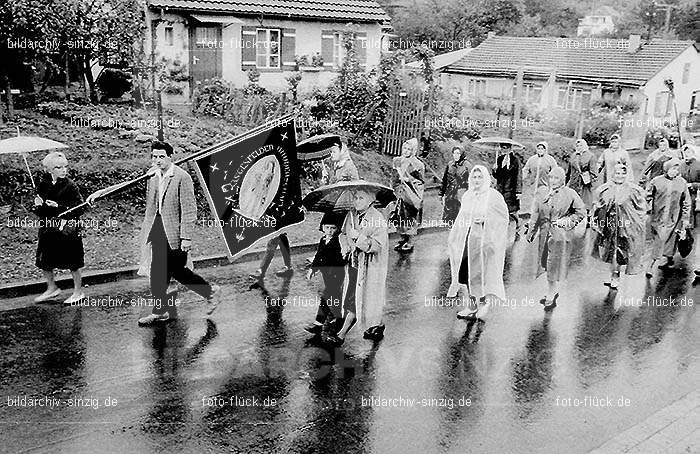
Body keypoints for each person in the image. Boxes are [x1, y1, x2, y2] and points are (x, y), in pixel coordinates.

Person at [132, 141, 220, 325]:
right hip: (156, 230)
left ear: (170, 157)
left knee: (178, 271)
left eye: (161, 156)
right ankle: (159, 311)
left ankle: (210, 292)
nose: (157, 160)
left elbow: (189, 209)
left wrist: (186, 237)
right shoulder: (153, 176)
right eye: (154, 156)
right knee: (157, 273)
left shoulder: (181, 177)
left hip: (174, 233)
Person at [327, 188, 389, 345]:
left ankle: (341, 335)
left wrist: (359, 238)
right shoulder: (351, 215)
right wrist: (345, 245)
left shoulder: (377, 219)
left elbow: (377, 246)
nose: (356, 201)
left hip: (371, 266)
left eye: (361, 198)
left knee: (364, 297)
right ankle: (378, 326)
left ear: (370, 201)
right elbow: (343, 234)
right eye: (355, 198)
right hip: (354, 264)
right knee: (355, 297)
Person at [447, 165, 509, 320]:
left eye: (480, 177)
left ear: (486, 178)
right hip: (468, 240)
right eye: (474, 177)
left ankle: (484, 303)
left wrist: (486, 219)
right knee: (466, 274)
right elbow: (462, 217)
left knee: (481, 273)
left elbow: (503, 217)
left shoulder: (493, 196)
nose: (477, 180)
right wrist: (455, 235)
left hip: (484, 241)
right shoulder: (468, 195)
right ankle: (472, 305)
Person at [527, 166, 586, 311]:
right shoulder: (542, 192)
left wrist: (566, 222)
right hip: (544, 233)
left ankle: (551, 293)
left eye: (556, 178)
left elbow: (581, 212)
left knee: (553, 264)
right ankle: (551, 289)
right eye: (551, 177)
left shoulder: (569, 194)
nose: (553, 181)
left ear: (562, 179)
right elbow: (536, 213)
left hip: (559, 235)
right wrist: (531, 231)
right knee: (545, 263)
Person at [32, 151, 87, 305]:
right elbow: (39, 210)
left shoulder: (70, 185)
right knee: (45, 259)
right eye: (58, 167)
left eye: (65, 167)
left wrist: (59, 206)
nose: (63, 170)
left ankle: (78, 291)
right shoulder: (43, 184)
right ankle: (52, 287)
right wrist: (38, 205)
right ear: (49, 170)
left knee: (73, 261)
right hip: (49, 228)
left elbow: (80, 207)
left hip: (68, 228)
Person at [590, 163, 647, 289]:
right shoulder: (604, 189)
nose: (620, 176)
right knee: (612, 251)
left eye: (622, 173)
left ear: (626, 175)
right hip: (610, 226)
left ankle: (616, 275)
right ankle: (614, 275)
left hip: (626, 227)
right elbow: (597, 206)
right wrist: (596, 220)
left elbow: (641, 208)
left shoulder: (633, 190)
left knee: (622, 251)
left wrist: (637, 222)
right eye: (617, 173)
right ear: (613, 174)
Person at [304, 212, 347, 336]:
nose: (330, 231)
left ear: (338, 229)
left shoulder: (339, 241)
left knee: (327, 295)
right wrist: (313, 269)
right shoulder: (323, 239)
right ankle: (339, 316)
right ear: (322, 227)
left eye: (333, 228)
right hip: (326, 273)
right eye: (327, 227)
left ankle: (318, 323)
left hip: (336, 273)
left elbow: (342, 258)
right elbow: (318, 255)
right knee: (334, 295)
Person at [645, 158, 691, 276]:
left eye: (677, 169)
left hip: (674, 218)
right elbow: (647, 196)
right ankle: (650, 266)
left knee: (672, 241)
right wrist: (647, 207)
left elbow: (686, 202)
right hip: (658, 217)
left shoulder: (682, 183)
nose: (674, 172)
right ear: (666, 169)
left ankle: (669, 260)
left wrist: (685, 220)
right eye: (672, 169)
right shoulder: (656, 181)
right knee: (659, 241)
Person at [391, 138, 425, 252]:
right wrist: (394, 188)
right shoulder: (397, 161)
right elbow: (393, 177)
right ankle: (402, 238)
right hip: (399, 193)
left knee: (410, 217)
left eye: (409, 149)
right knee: (399, 216)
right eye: (404, 148)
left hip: (410, 194)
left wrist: (408, 179)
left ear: (413, 150)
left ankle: (410, 240)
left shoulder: (417, 164)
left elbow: (420, 182)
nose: (406, 151)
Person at [522, 141, 557, 230]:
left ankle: (546, 221)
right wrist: (525, 178)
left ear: (545, 150)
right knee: (534, 204)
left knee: (544, 204)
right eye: (539, 148)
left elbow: (555, 171)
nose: (540, 150)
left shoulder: (550, 159)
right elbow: (526, 169)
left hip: (545, 186)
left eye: (542, 148)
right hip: (534, 186)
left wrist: (553, 184)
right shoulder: (532, 159)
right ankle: (531, 222)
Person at [493, 143, 523, 234]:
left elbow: (519, 176)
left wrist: (518, 191)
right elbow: (497, 176)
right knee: (501, 209)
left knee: (512, 211)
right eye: (502, 148)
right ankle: (503, 227)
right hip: (501, 189)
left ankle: (518, 220)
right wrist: (494, 170)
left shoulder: (515, 160)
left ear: (510, 148)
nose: (504, 150)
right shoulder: (499, 159)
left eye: (506, 148)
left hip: (511, 189)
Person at [565, 138, 597, 221]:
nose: (579, 147)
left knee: (584, 203)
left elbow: (594, 173)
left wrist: (590, 183)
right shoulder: (573, 156)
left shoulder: (591, 156)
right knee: (573, 202)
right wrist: (566, 182)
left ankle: (587, 221)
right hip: (574, 182)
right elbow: (568, 171)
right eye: (577, 145)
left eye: (581, 145)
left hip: (584, 184)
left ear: (585, 145)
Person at [439, 145, 470, 224]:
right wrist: (441, 194)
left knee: (460, 216)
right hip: (450, 193)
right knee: (449, 216)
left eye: (458, 153)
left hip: (461, 193)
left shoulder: (467, 165)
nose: (456, 155)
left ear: (462, 154)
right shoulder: (450, 164)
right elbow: (445, 180)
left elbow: (471, 181)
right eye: (454, 153)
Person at [680, 138, 700, 228]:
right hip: (681, 193)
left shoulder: (698, 165)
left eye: (689, 153)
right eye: (685, 153)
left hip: (693, 194)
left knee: (690, 213)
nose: (687, 155)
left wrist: (692, 185)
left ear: (693, 153)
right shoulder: (681, 165)